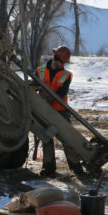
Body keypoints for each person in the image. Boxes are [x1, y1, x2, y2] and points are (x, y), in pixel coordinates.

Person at [36, 45, 83, 177]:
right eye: (61, 62)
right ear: (55, 59)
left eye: (64, 63)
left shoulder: (67, 75)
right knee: (46, 139)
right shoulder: (39, 70)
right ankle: (49, 168)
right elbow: (33, 86)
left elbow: (62, 92)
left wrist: (46, 97)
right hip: (43, 110)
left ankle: (76, 167)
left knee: (67, 139)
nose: (62, 65)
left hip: (60, 111)